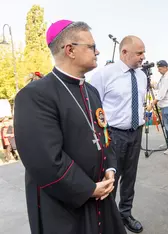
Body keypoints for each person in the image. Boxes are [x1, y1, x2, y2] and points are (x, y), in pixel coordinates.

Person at [14, 20, 126, 234]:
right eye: (92, 46)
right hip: (64, 205)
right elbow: (44, 159)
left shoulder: (91, 91)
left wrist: (110, 169)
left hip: (101, 195)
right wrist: (88, 189)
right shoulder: (35, 95)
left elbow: (104, 135)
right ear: (70, 50)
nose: (98, 51)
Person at [91, 35, 146, 233]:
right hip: (113, 135)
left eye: (143, 53)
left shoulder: (141, 75)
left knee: (130, 177)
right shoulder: (104, 74)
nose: (143, 57)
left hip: (135, 132)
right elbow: (93, 108)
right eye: (139, 53)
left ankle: (125, 213)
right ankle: (108, 219)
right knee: (111, 177)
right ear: (124, 52)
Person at [151, 60, 168, 155]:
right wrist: (152, 84)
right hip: (165, 105)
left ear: (166, 67)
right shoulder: (164, 77)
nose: (158, 70)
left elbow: (161, 93)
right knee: (166, 125)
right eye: (158, 68)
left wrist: (152, 104)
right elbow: (158, 86)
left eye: (160, 68)